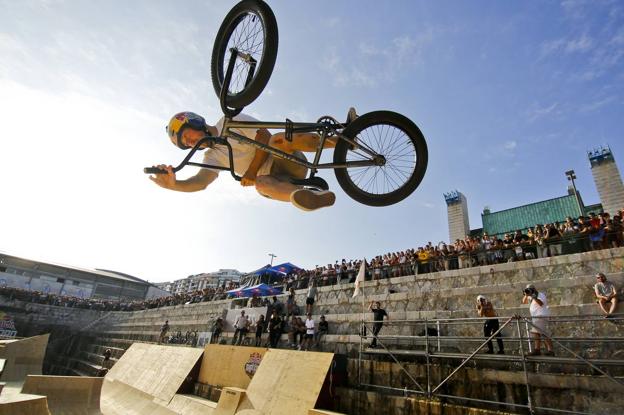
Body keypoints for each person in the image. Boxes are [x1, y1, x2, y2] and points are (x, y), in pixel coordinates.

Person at [149, 111, 351, 211]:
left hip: (285, 160)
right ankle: (309, 196)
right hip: (277, 180)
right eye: (186, 144)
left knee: (278, 140)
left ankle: (343, 141)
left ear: (194, 121)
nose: (191, 142)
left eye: (187, 136)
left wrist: (252, 171)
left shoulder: (230, 121)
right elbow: (200, 182)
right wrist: (173, 185)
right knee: (261, 184)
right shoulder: (212, 157)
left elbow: (263, 136)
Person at [522, 284, 554, 356]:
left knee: (540, 333)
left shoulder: (540, 295)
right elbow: (524, 301)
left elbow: (541, 303)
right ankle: (541, 350)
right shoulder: (530, 296)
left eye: (530, 289)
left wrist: (534, 297)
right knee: (538, 333)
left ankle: (547, 350)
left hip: (541, 316)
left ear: (534, 289)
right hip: (536, 317)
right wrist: (526, 294)